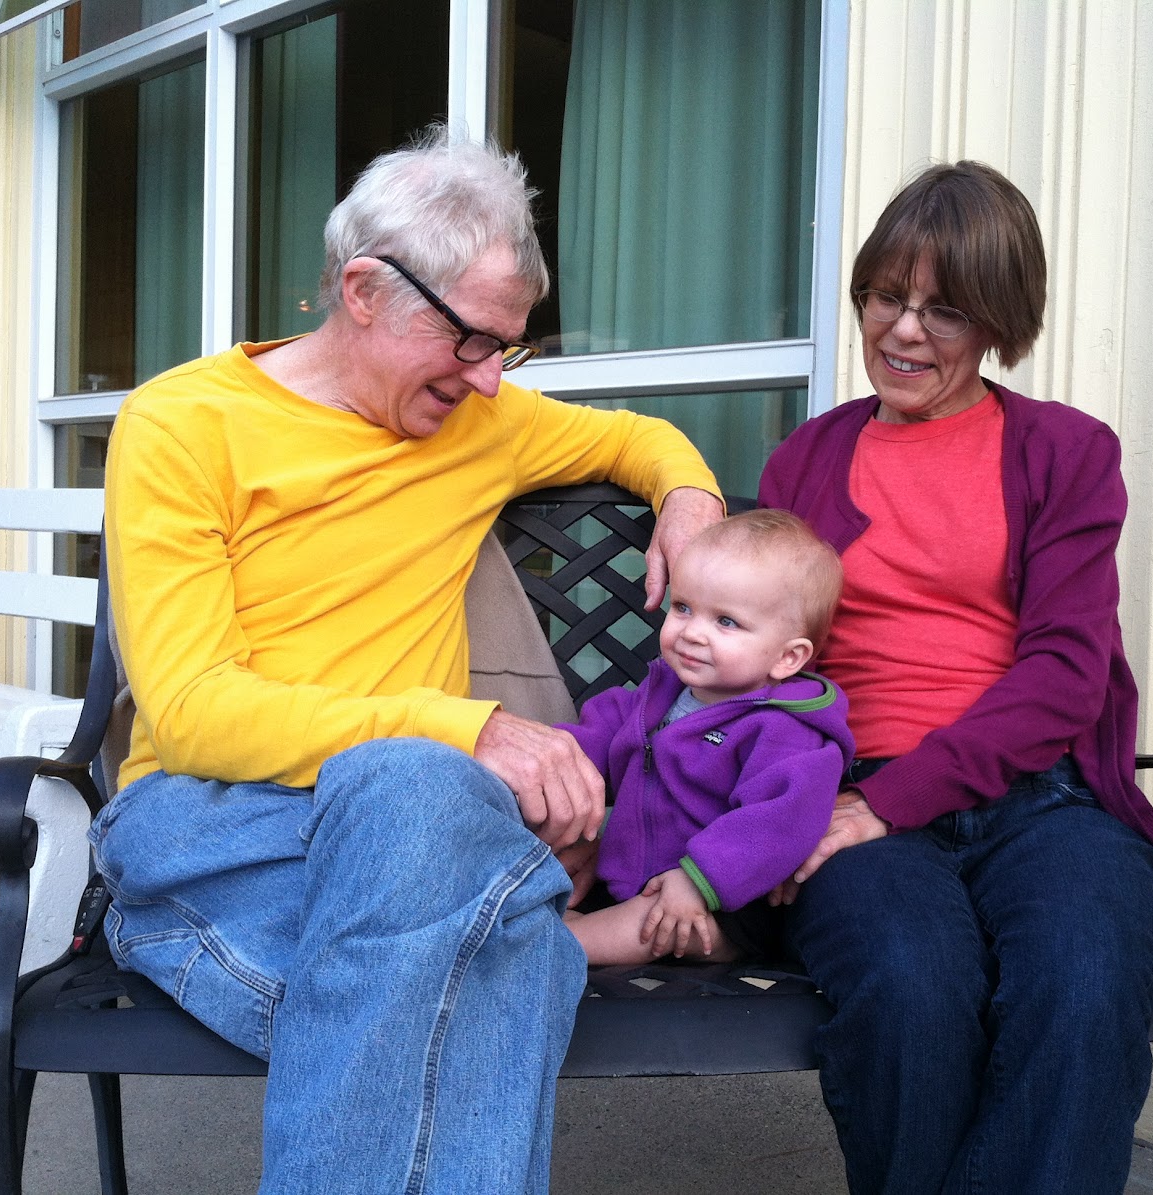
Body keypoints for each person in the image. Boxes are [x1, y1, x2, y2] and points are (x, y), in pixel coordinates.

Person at [89, 126, 725, 1194]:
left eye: (508, 349)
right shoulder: (184, 425)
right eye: (471, 340)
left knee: (445, 881)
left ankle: (500, 897)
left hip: (419, 838)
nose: (490, 381)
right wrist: (466, 732)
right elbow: (194, 710)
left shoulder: (479, 421)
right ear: (365, 291)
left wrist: (692, 501)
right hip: (219, 822)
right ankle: (517, 906)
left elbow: (634, 438)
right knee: (494, 930)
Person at [758, 160, 1153, 1194]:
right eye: (883, 297)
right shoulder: (803, 462)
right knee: (912, 982)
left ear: (997, 318)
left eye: (943, 309)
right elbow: (755, 662)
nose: (902, 331)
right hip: (852, 794)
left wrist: (892, 800)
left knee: (1085, 977)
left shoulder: (1065, 452)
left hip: (1044, 800)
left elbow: (1067, 674)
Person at [557, 509, 854, 964]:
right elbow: (599, 736)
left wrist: (701, 880)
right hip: (630, 876)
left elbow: (777, 823)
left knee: (650, 922)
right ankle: (565, 931)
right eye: (683, 607)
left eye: (726, 622)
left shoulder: (786, 731)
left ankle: (560, 946)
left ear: (788, 658)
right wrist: (556, 760)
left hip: (725, 903)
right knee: (553, 877)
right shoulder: (659, 695)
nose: (692, 632)